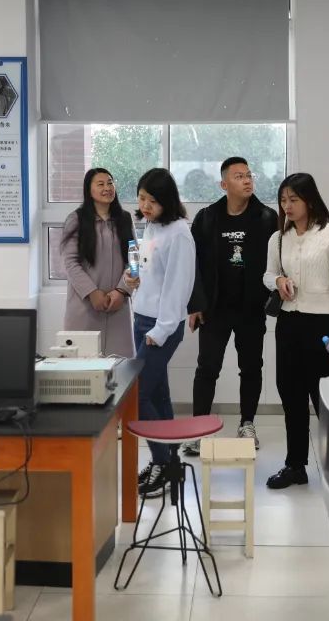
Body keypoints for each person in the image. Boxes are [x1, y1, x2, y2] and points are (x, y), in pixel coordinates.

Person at [184, 157, 278, 455]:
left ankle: (247, 423)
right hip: (215, 309)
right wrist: (195, 304)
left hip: (251, 308)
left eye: (249, 174)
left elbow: (278, 261)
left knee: (250, 367)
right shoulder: (207, 218)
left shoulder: (267, 217)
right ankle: (199, 428)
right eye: (239, 176)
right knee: (207, 368)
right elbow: (194, 265)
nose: (247, 180)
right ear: (224, 184)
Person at [263, 173, 329, 490]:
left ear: (310, 200)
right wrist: (277, 281)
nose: (287, 206)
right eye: (283, 200)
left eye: (293, 200)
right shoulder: (278, 238)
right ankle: (295, 465)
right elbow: (267, 274)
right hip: (288, 324)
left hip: (322, 326)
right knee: (291, 395)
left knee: (325, 398)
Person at [124, 169, 196, 498]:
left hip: (161, 325)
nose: (145, 206)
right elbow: (147, 266)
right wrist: (133, 275)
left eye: (152, 200)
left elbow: (179, 286)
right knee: (157, 395)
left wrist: (162, 330)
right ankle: (170, 464)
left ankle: (162, 462)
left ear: (167, 200)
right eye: (141, 198)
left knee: (137, 395)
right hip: (142, 317)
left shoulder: (180, 233)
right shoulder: (152, 226)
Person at [60, 168, 135, 357]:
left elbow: (134, 260)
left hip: (118, 307)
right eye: (100, 184)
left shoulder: (125, 219)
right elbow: (70, 263)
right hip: (85, 307)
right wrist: (92, 293)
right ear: (89, 190)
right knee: (82, 366)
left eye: (110, 183)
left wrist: (122, 291)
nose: (107, 188)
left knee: (120, 366)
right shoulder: (76, 220)